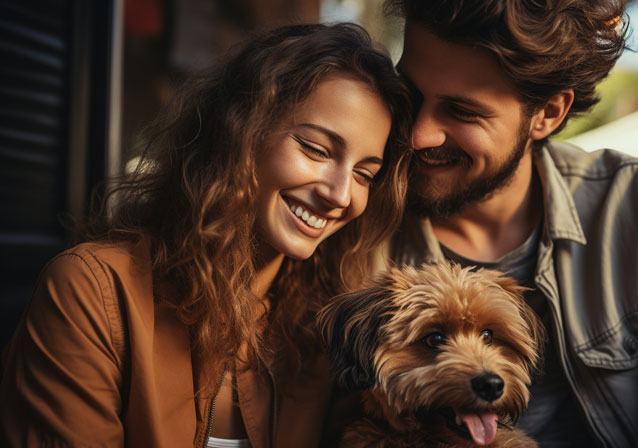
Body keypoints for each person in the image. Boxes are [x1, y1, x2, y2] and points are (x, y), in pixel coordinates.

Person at [376, 0, 638, 446]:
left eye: (462, 111)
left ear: (548, 114)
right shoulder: (358, 220)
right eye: (411, 95)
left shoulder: (637, 203)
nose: (417, 135)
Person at [0, 23, 412, 447]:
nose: (340, 195)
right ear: (240, 134)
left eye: (365, 174)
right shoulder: (92, 293)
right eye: (316, 149)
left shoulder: (323, 334)